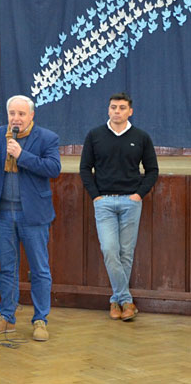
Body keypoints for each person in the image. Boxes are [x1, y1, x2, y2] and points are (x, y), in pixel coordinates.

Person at [0, 95, 61, 342]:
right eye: (12, 113)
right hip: (3, 213)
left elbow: (53, 169)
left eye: (21, 114)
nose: (16, 118)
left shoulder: (47, 138)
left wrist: (22, 155)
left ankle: (40, 319)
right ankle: (7, 317)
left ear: (31, 116)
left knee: (40, 270)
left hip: (33, 214)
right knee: (7, 269)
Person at [79, 92, 158, 321]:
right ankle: (126, 300)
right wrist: (95, 196)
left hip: (130, 202)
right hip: (103, 202)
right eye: (113, 107)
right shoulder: (95, 135)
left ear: (130, 111)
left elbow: (152, 170)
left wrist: (138, 195)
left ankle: (116, 301)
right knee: (110, 250)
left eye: (122, 108)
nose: (117, 111)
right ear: (108, 109)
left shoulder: (141, 137)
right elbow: (85, 168)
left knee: (126, 253)